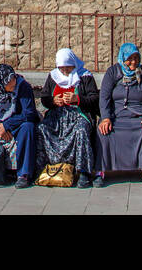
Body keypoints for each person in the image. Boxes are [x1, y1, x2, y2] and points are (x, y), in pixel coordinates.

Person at [97, 42, 142, 188]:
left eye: (136, 58)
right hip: (117, 117)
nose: (134, 62)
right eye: (130, 58)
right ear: (122, 58)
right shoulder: (113, 72)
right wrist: (106, 118)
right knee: (103, 132)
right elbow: (104, 97)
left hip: (140, 116)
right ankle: (100, 171)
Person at [38, 48, 100, 187]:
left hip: (78, 114)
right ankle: (45, 168)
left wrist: (77, 99)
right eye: (62, 67)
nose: (65, 70)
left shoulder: (85, 76)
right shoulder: (53, 76)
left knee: (81, 130)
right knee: (42, 128)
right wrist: (53, 101)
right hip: (57, 115)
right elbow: (44, 98)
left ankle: (83, 171)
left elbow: (94, 98)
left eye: (68, 67)